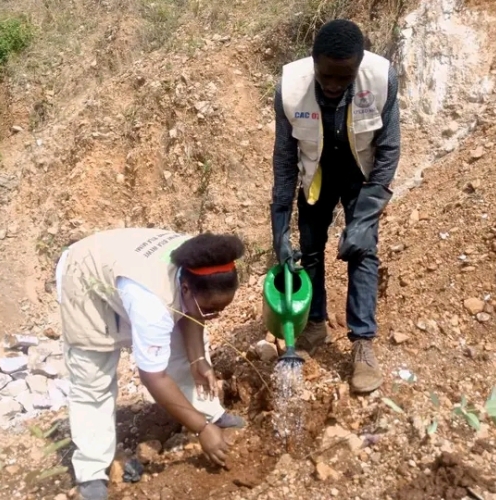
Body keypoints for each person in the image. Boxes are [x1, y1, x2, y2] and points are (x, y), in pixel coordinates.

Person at [56, 227, 247, 500]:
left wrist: (198, 359)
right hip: (86, 280)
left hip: (127, 268)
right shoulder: (152, 305)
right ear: (184, 288)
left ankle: (207, 411)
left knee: (182, 351)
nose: (215, 317)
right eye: (211, 310)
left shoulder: (202, 261)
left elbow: (194, 314)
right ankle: (92, 471)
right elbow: (153, 377)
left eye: (223, 309)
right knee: (93, 379)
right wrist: (202, 431)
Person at [270, 19, 401, 393]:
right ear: (314, 61)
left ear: (358, 67)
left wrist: (367, 212)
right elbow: (283, 157)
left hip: (361, 173)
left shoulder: (380, 78)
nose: (332, 84)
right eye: (326, 75)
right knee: (309, 250)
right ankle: (314, 324)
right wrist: (279, 227)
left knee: (363, 250)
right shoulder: (291, 87)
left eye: (343, 78)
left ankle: (362, 343)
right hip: (317, 173)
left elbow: (389, 147)